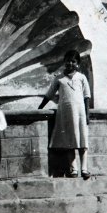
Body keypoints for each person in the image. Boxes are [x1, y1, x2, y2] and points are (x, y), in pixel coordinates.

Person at [38, 50, 92, 180]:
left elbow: (86, 96)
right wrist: (40, 108)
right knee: (70, 142)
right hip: (66, 115)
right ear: (64, 62)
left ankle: (84, 169)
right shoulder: (59, 78)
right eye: (68, 61)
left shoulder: (81, 77)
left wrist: (87, 113)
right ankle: (73, 169)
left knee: (83, 141)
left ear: (77, 64)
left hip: (80, 114)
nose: (70, 63)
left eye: (73, 61)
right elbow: (49, 94)